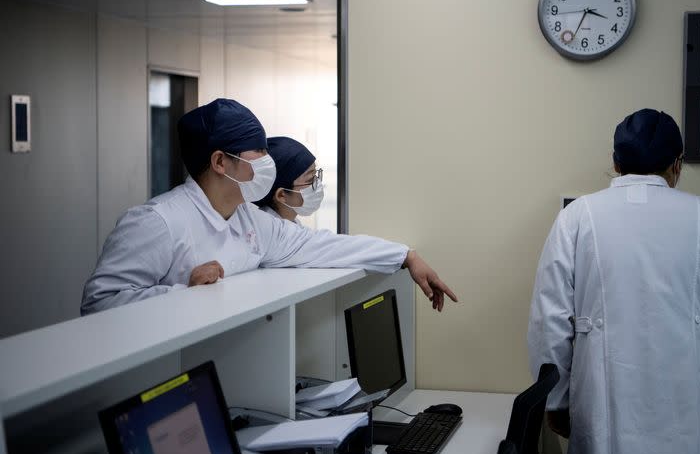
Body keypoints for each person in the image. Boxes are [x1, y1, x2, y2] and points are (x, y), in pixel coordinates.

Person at [528, 109, 700, 454]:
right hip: (684, 402)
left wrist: (556, 400)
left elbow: (549, 319)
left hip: (603, 400)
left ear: (616, 163)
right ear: (677, 165)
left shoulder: (577, 217)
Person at [82, 99, 456, 315]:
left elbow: (321, 246)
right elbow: (99, 304)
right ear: (219, 162)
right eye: (257, 150)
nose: (267, 160)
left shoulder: (250, 220)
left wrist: (405, 255)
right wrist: (181, 292)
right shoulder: (158, 222)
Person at [254, 136, 322, 225]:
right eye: (310, 179)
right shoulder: (264, 231)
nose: (317, 183)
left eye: (315, 174)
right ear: (281, 195)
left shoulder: (291, 224)